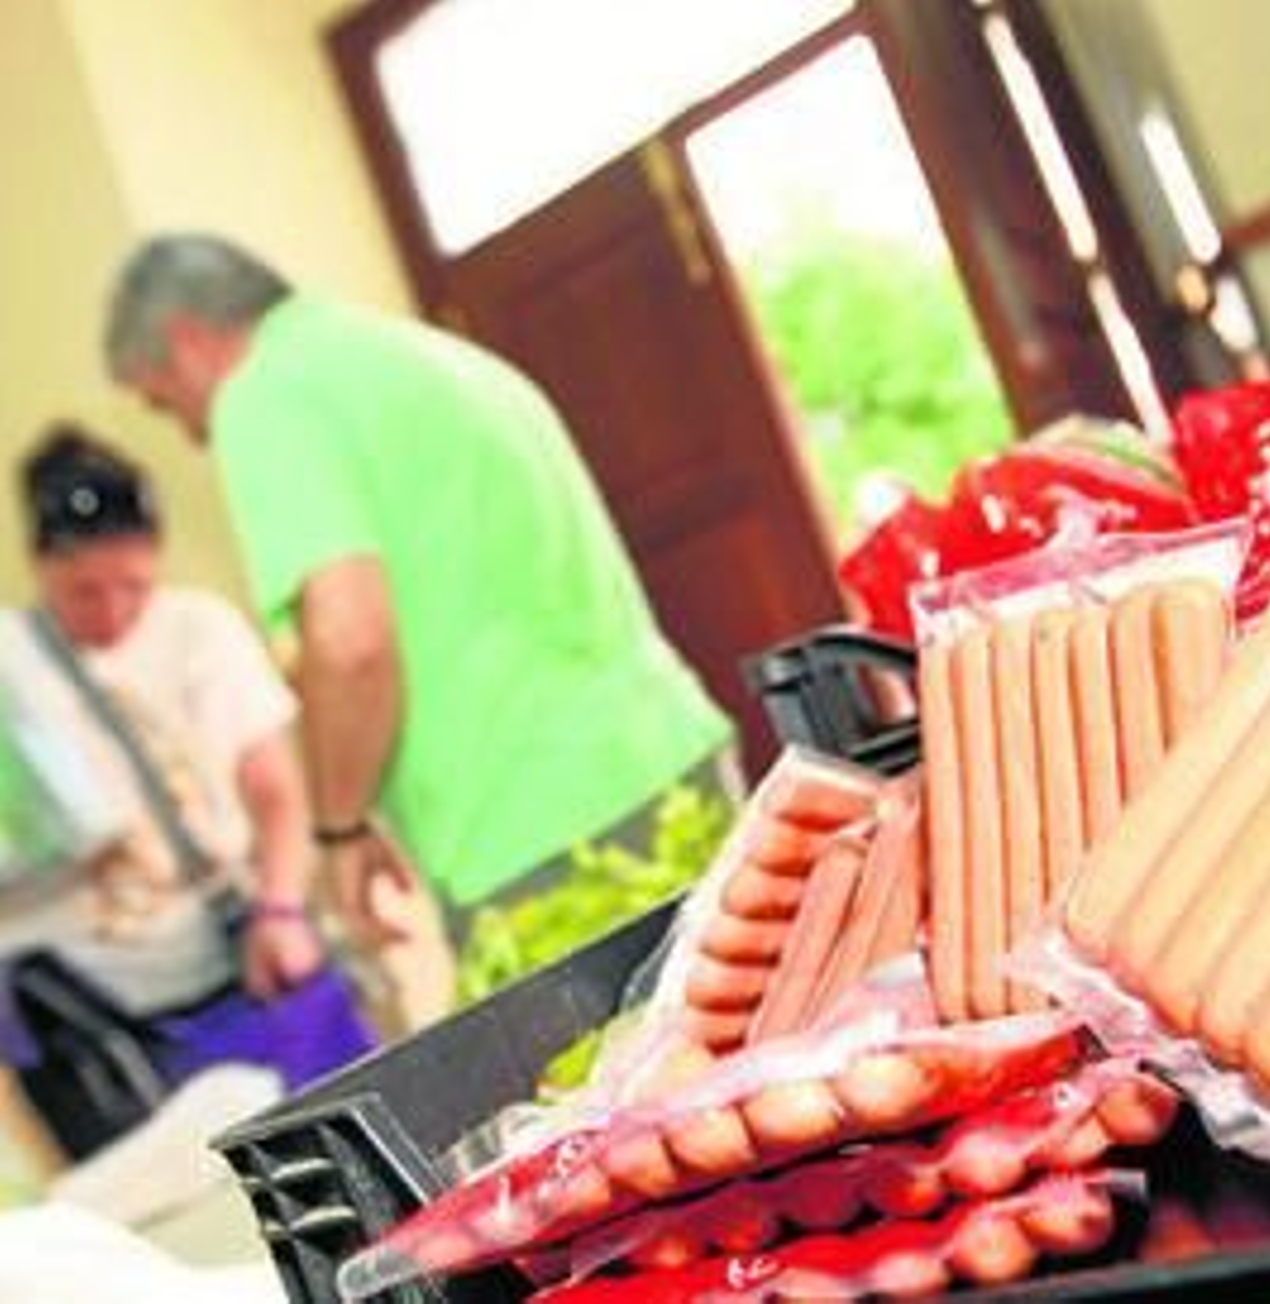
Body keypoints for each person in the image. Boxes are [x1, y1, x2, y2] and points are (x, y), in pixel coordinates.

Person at [103, 234, 735, 949]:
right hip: (679, 769)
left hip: (546, 838)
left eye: (167, 404)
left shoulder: (263, 392)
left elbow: (350, 642)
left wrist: (340, 828)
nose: (193, 434)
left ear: (186, 341)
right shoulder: (422, 354)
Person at [0, 426, 374, 1113]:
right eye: (85, 593)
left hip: (245, 953)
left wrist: (282, 908)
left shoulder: (198, 630)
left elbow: (275, 794)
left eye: (132, 587)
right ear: (39, 564)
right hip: (101, 1008)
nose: (112, 613)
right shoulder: (13, 663)